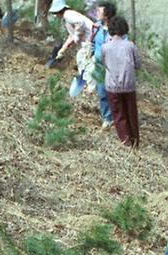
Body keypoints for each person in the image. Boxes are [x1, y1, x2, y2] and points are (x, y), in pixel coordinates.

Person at [102, 16, 140, 147]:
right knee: (131, 114)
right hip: (129, 84)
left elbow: (103, 63)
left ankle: (126, 142)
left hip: (112, 86)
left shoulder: (105, 47)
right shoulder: (130, 46)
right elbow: (138, 64)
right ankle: (135, 141)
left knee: (118, 115)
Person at [48, 0, 95, 83]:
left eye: (55, 13)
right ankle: (87, 81)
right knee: (82, 59)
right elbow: (71, 36)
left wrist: (77, 36)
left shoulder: (68, 14)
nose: (55, 16)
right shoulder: (68, 17)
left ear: (59, 11)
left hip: (90, 40)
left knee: (83, 60)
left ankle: (88, 83)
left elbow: (80, 23)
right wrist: (63, 49)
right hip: (89, 40)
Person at [91, 2, 116, 129]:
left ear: (107, 15)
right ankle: (107, 118)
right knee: (101, 92)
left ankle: (117, 116)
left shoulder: (116, 28)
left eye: (99, 11)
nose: (97, 13)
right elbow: (93, 42)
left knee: (114, 93)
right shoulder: (96, 27)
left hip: (113, 67)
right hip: (99, 65)